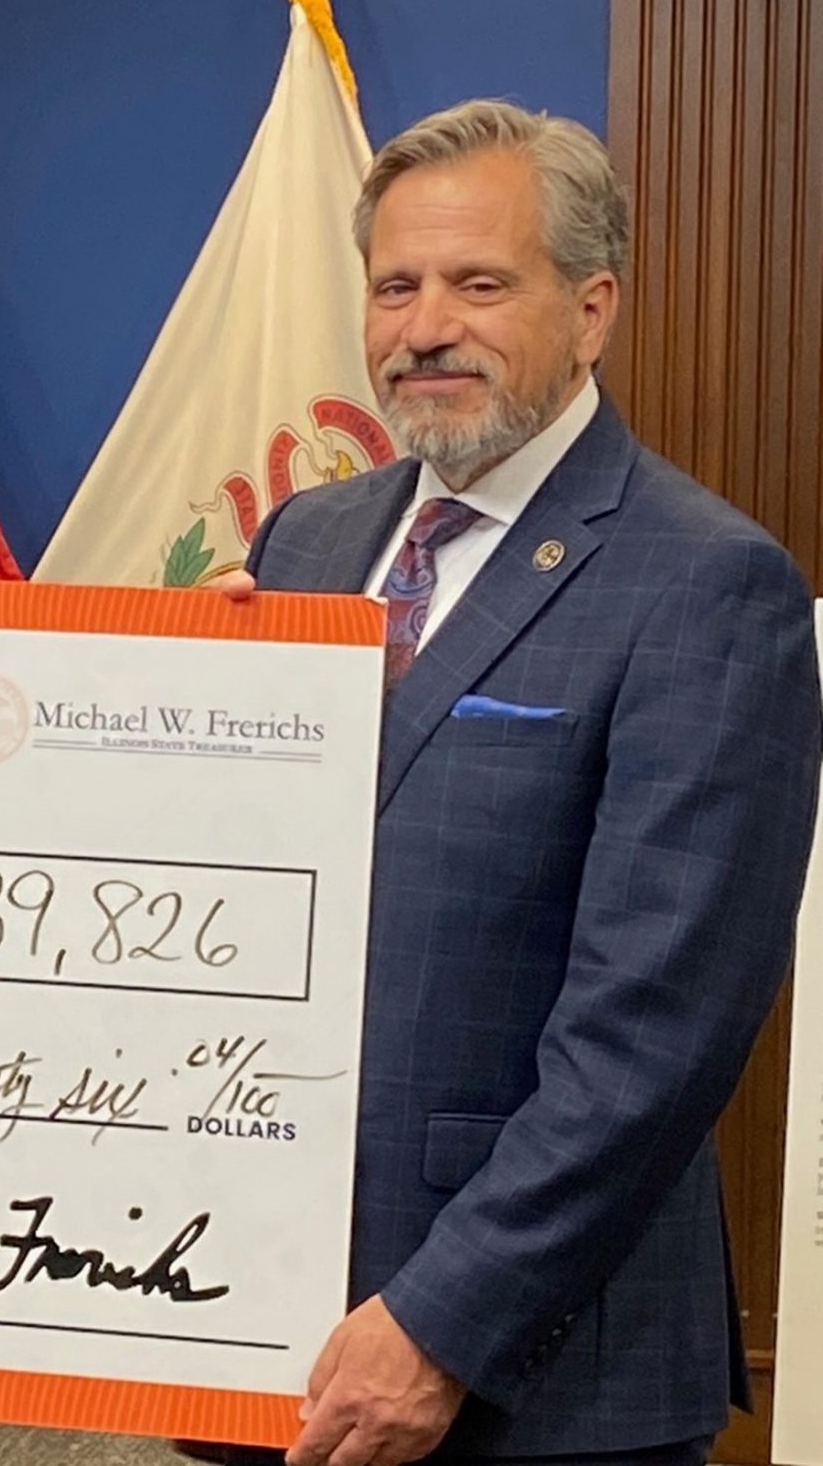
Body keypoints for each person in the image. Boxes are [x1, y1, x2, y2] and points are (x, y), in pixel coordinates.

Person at [224, 99, 820, 1466]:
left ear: (592, 307)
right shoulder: (307, 545)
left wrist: (439, 1323)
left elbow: (653, 1040)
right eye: (395, 285)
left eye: (479, 283)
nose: (425, 325)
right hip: (262, 1327)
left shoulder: (709, 585)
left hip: (535, 1387)